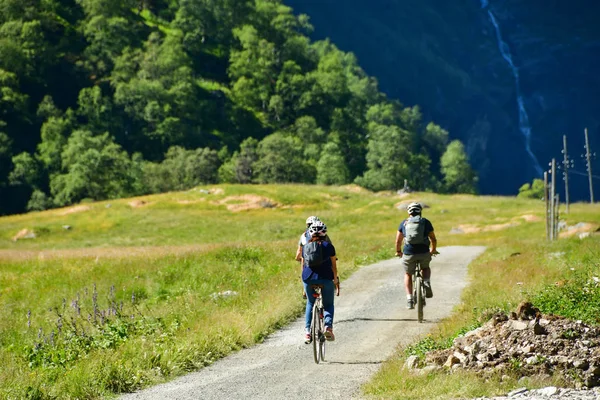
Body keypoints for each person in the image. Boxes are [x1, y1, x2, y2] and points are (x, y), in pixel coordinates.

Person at [301, 221, 339, 343]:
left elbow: (303, 265)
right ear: (324, 233)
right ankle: (328, 326)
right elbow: (334, 265)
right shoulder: (329, 246)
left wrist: (304, 285)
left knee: (310, 303)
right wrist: (336, 280)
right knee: (328, 304)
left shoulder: (305, 247)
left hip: (308, 278)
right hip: (325, 278)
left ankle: (307, 332)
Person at [395, 202, 438, 309]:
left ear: (409, 212)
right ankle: (426, 281)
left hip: (409, 253)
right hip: (423, 252)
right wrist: (433, 250)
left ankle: (409, 299)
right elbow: (433, 238)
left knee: (408, 273)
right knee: (425, 267)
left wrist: (398, 251)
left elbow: (398, 241)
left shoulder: (404, 223)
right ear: (420, 211)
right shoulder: (425, 222)